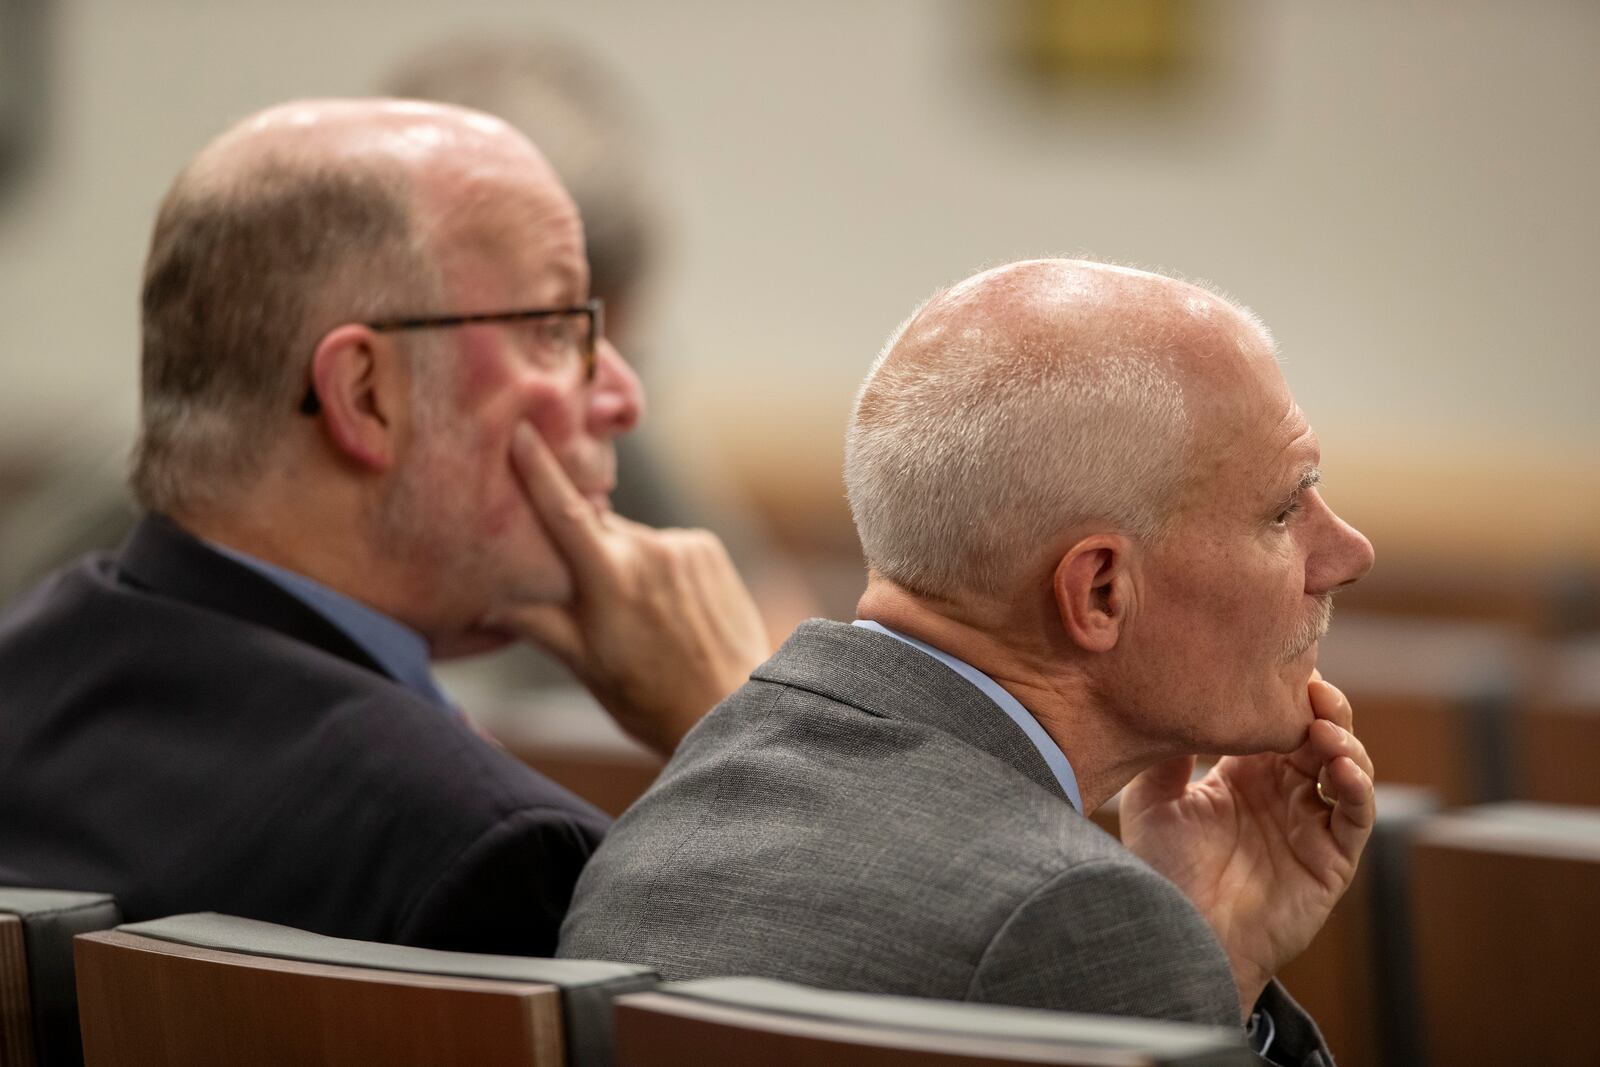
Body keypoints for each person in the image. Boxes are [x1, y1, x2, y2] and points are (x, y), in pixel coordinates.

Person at [559, 259, 1377, 1065]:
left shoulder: (660, 824)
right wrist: (1161, 965)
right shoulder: (1070, 919)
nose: (1346, 552)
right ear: (1098, 592)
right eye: (1282, 512)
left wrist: (1207, 975)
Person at [0, 99, 769, 955]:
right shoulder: (491, 852)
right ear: (367, 395)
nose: (625, 396)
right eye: (556, 330)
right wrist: (740, 727)